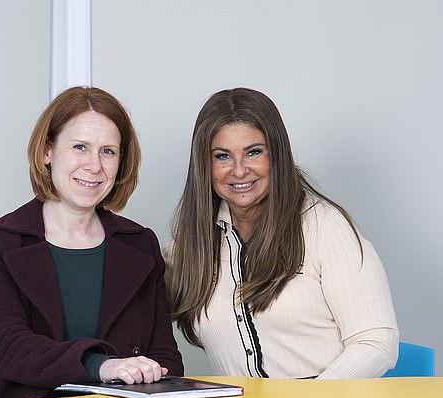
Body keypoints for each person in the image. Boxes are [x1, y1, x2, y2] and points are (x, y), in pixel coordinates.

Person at [0, 86, 183, 398]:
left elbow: (164, 357)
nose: (94, 165)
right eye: (80, 147)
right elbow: (6, 348)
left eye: (108, 152)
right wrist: (103, 366)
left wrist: (144, 378)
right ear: (47, 152)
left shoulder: (140, 244)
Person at [164, 87, 398, 380]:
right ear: (205, 166)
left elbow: (376, 342)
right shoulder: (193, 245)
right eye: (222, 156)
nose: (238, 171)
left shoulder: (326, 227)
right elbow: (128, 303)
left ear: (276, 155)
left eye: (253, 152)